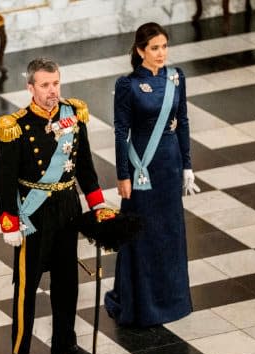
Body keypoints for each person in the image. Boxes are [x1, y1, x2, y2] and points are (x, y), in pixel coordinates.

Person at [0, 58, 107, 354]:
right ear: (30, 88)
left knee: (67, 281)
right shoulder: (16, 126)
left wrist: (97, 204)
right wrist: (9, 222)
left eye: (55, 83)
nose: (52, 90)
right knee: (27, 287)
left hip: (67, 207)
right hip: (34, 212)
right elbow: (3, 179)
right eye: (45, 85)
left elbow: (84, 164)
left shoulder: (73, 114)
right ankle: (20, 351)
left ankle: (64, 341)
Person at [104, 23, 199, 328]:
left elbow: (182, 121)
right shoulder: (127, 85)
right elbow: (121, 131)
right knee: (142, 233)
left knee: (169, 232)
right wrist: (122, 175)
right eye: (154, 48)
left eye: (164, 47)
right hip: (141, 167)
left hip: (169, 165)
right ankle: (142, 303)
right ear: (140, 50)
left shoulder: (176, 77)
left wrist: (187, 166)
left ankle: (173, 300)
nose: (161, 53)